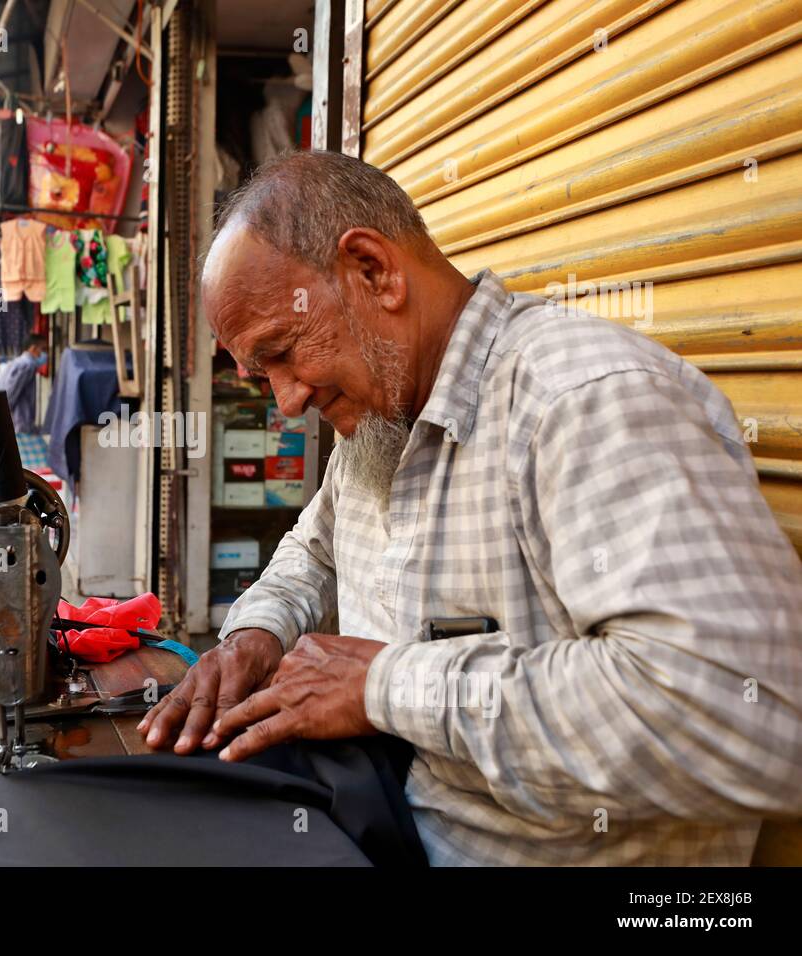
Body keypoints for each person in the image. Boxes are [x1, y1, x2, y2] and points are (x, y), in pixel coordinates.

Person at [140, 150, 802, 865]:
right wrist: (254, 637)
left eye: (282, 352)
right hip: (386, 820)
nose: (287, 400)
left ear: (372, 271)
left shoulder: (582, 400)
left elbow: (744, 719)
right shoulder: (377, 418)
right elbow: (313, 550)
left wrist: (384, 687)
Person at [0, 334, 48, 473]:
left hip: (15, 421)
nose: (44, 353)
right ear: (33, 348)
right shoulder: (28, 365)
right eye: (43, 349)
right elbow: (11, 393)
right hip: (20, 422)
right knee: (33, 466)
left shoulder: (17, 362)